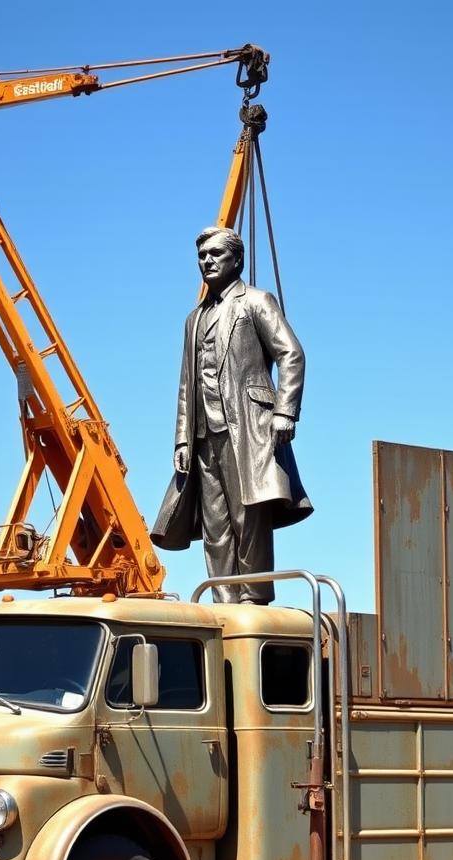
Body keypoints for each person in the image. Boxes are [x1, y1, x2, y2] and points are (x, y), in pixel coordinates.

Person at [151, 226, 312, 604]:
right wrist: (181, 437)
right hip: (204, 434)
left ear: (236, 260)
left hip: (249, 427)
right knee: (215, 524)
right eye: (201, 256)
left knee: (248, 514)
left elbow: (292, 354)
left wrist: (284, 412)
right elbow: (185, 384)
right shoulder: (193, 320)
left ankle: (252, 597)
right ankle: (223, 600)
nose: (206, 261)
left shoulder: (256, 301)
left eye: (215, 254)